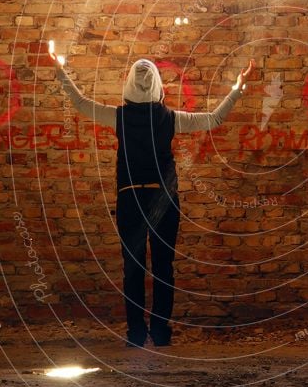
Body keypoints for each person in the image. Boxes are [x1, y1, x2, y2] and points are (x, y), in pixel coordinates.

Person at [48, 47, 254, 347]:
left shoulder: (118, 116)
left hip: (130, 199)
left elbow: (79, 103)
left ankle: (135, 333)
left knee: (132, 269)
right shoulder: (170, 118)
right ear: (159, 86)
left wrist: (60, 70)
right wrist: (239, 86)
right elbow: (215, 119)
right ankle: (160, 332)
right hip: (163, 200)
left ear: (128, 84)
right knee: (163, 267)